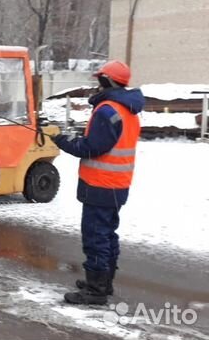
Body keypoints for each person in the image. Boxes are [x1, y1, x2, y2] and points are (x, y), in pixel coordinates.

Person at [51, 60, 145, 305]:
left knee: (96, 237)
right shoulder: (127, 110)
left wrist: (61, 140)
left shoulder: (107, 111)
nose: (97, 84)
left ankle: (96, 290)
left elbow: (92, 148)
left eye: (100, 79)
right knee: (107, 234)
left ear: (109, 81)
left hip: (101, 185)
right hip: (117, 184)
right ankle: (104, 282)